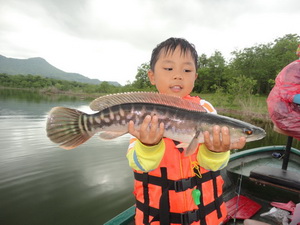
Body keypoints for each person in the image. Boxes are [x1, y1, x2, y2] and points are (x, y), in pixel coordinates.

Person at [126, 37, 246, 225]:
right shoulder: (143, 112)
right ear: (151, 76)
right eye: (168, 68)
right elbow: (139, 165)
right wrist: (148, 145)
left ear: (195, 77)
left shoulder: (206, 109)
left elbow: (214, 166)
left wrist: (216, 151)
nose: (178, 75)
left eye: (187, 70)